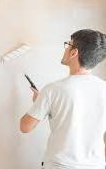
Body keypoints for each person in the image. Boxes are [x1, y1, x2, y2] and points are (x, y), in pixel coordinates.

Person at [20, 29, 106, 169]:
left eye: (68, 45)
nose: (65, 48)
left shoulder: (53, 90)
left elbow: (25, 127)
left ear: (74, 53)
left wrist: (38, 104)